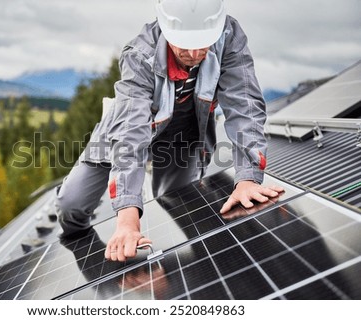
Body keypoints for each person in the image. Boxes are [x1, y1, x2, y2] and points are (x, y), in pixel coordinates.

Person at [55, 0, 284, 262]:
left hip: (182, 135)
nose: (196, 53)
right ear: (166, 29)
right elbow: (130, 132)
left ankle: (204, 266)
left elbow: (244, 105)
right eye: (185, 44)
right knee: (70, 205)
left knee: (180, 199)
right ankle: (87, 256)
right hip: (123, 131)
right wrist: (128, 220)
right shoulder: (140, 54)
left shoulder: (228, 36)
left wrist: (248, 178)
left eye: (203, 43)